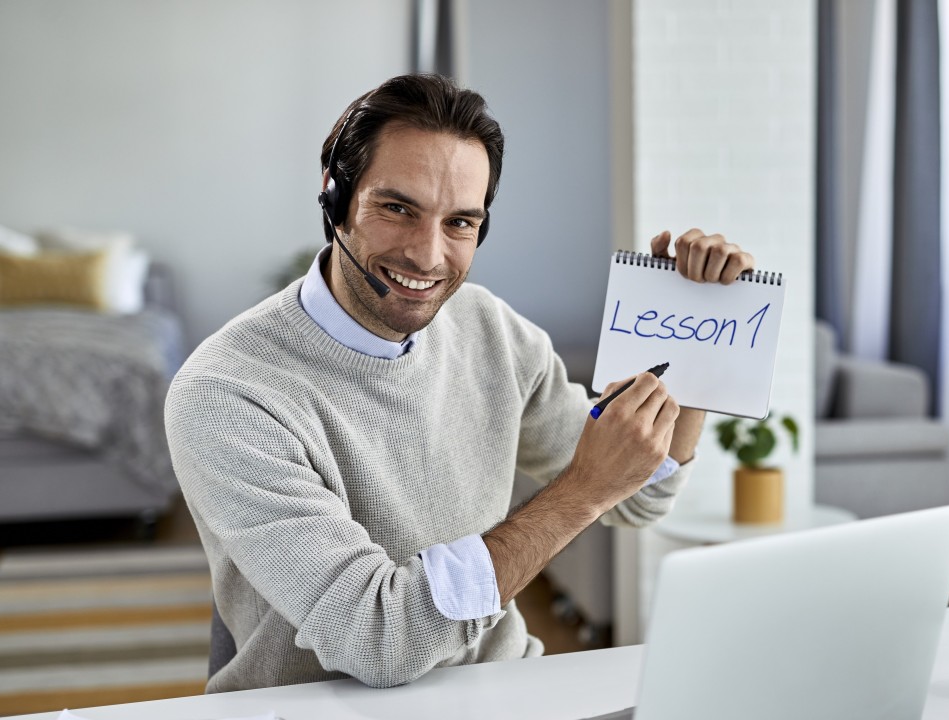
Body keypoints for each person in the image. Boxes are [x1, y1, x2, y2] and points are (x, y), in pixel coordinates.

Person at [165, 74, 755, 692]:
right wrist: (582, 491)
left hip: (502, 693)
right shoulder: (227, 393)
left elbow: (639, 496)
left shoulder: (491, 330)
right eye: (397, 209)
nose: (427, 255)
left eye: (460, 223)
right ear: (335, 196)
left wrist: (695, 331)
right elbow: (378, 636)